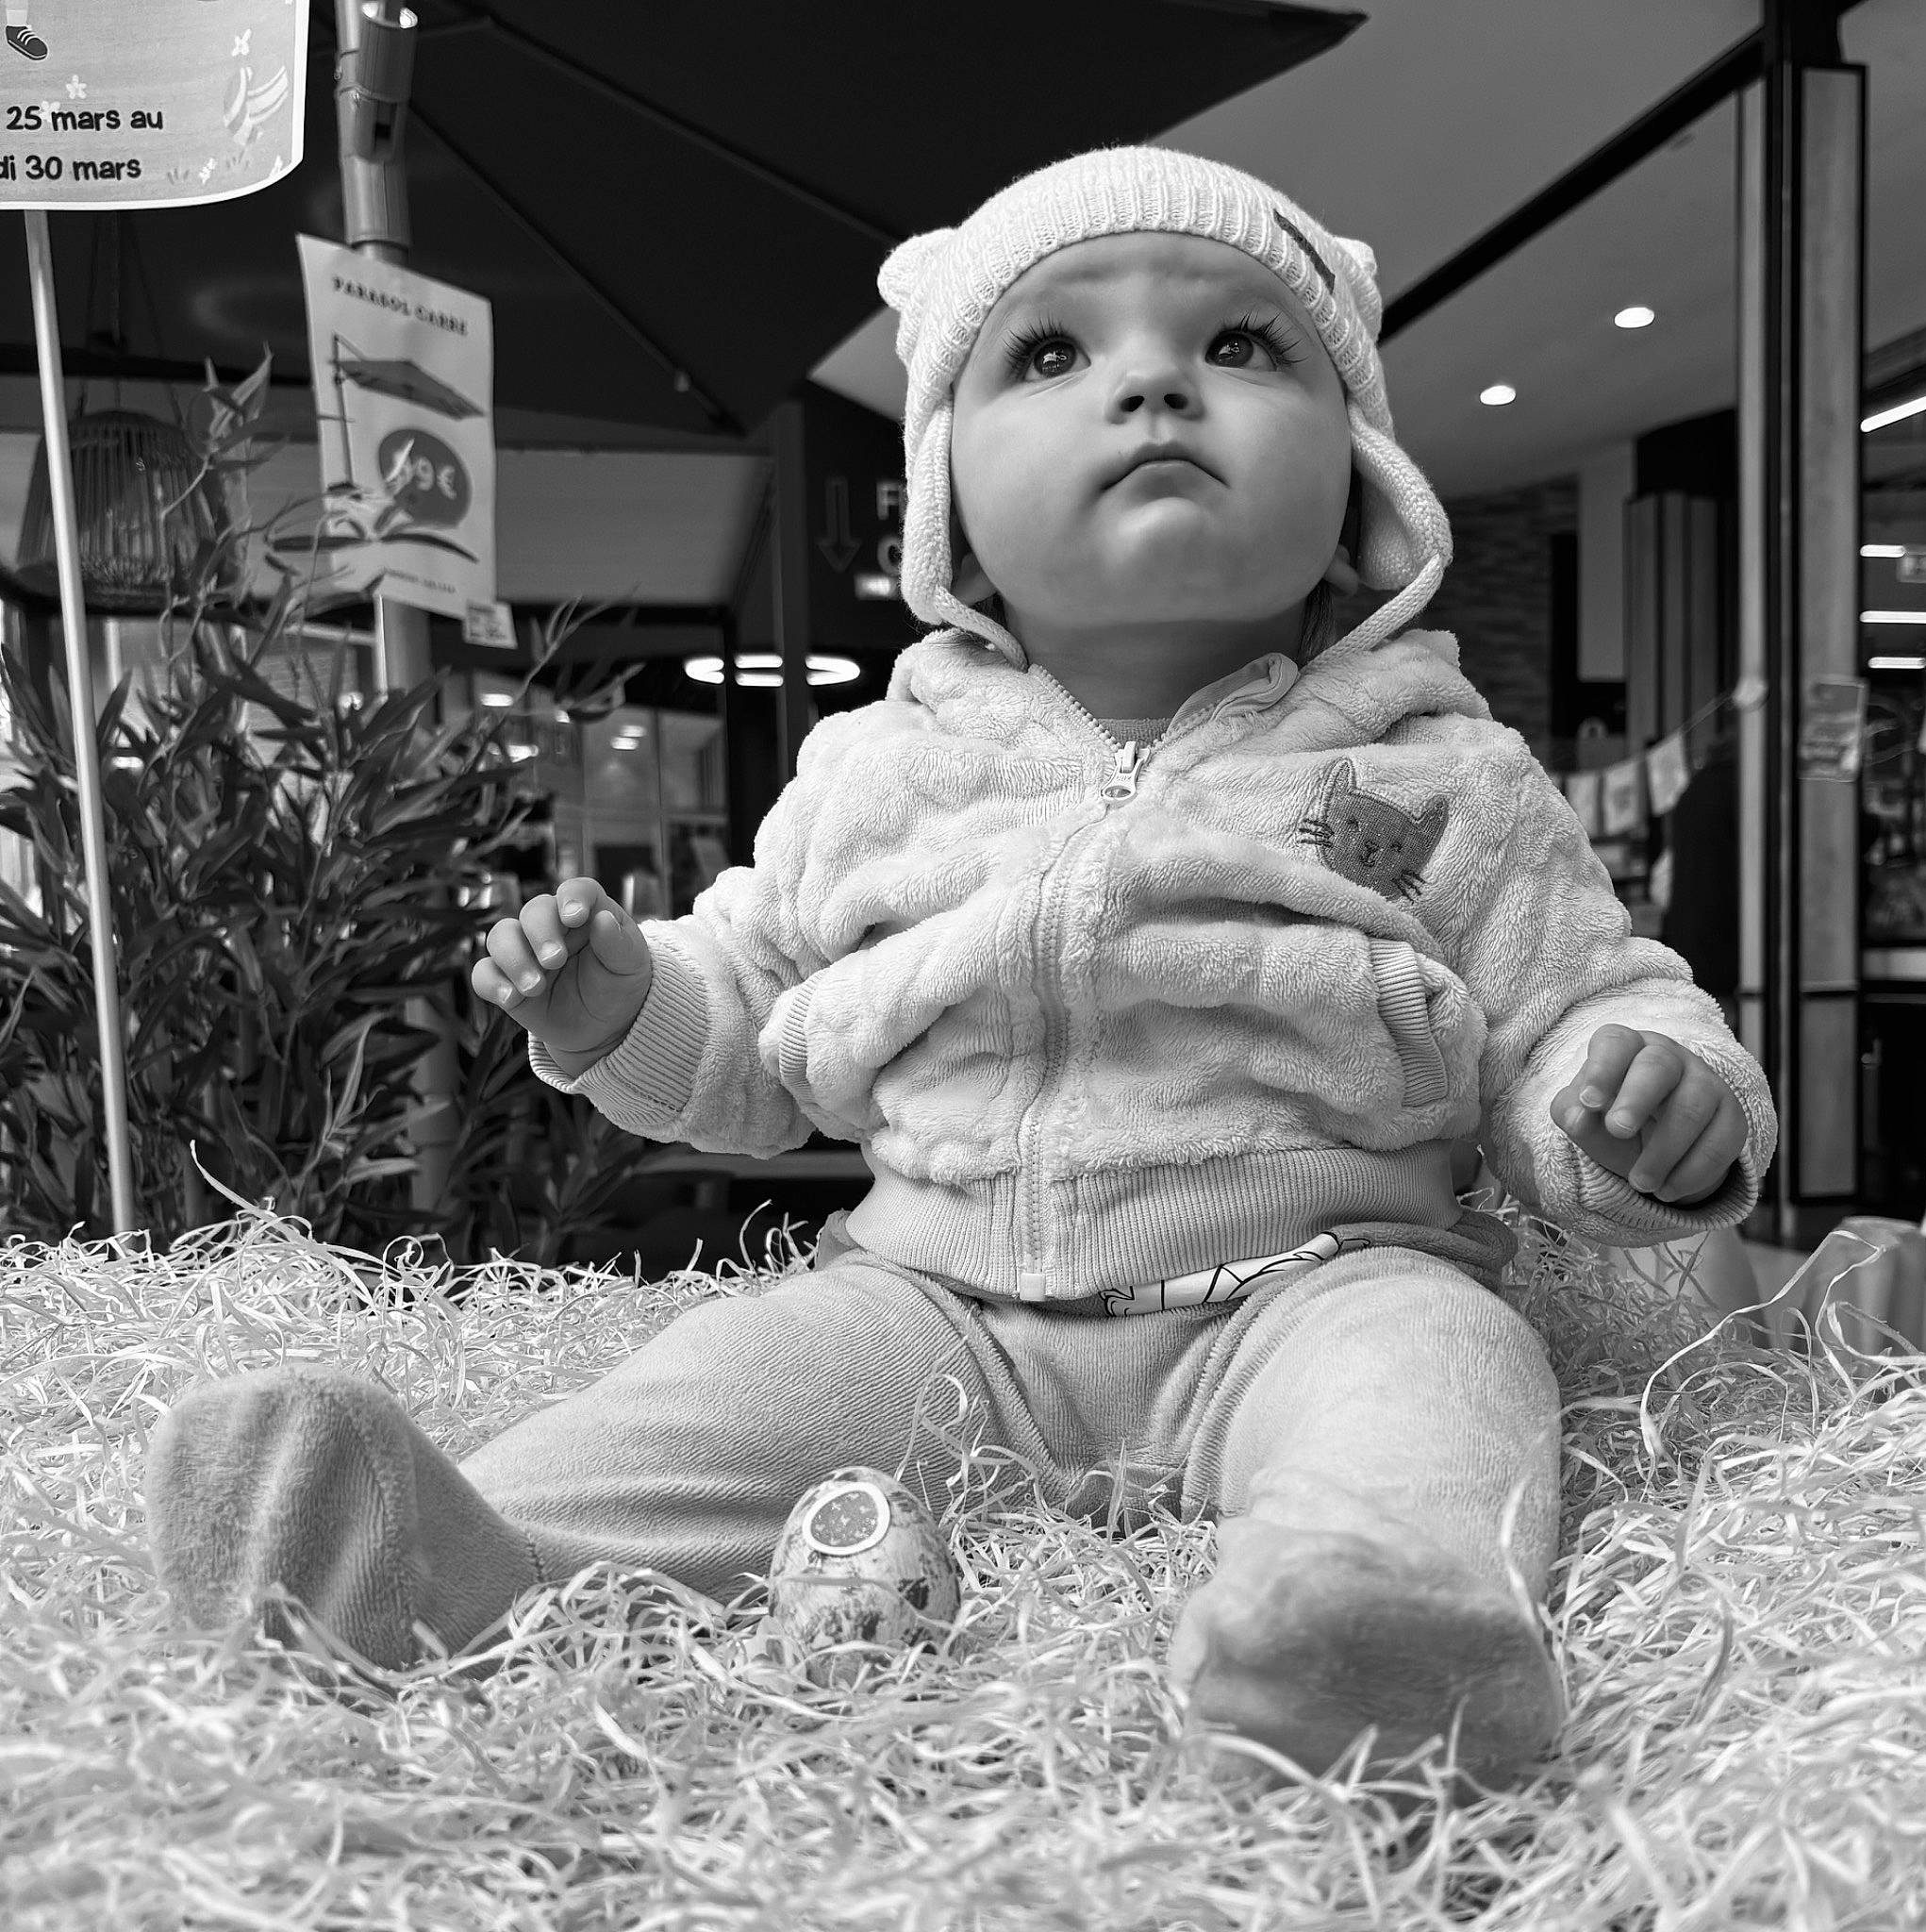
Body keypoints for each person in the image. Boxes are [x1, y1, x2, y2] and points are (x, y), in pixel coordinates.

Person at [146, 148, 1774, 1791]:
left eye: (1241, 346)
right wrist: (623, 1006)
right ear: (949, 506)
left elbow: (1580, 997)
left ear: (1357, 482)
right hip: (934, 1303)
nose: (1151, 382)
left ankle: (1372, 1635)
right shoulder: (874, 774)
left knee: (1440, 1386)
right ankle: (450, 1567)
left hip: (1317, 1284)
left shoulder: (1445, 773)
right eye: (1053, 354)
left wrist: (1636, 1101)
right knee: (710, 1395)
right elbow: (753, 1024)